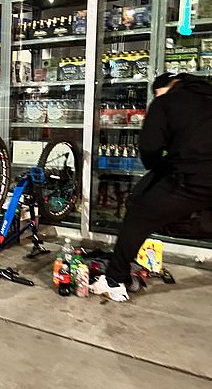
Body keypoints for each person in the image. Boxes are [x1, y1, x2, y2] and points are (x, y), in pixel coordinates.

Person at [90, 72, 212, 301]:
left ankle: (115, 280)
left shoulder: (166, 102)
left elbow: (150, 149)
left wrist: (162, 168)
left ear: (162, 88)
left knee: (139, 213)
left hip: (190, 176)